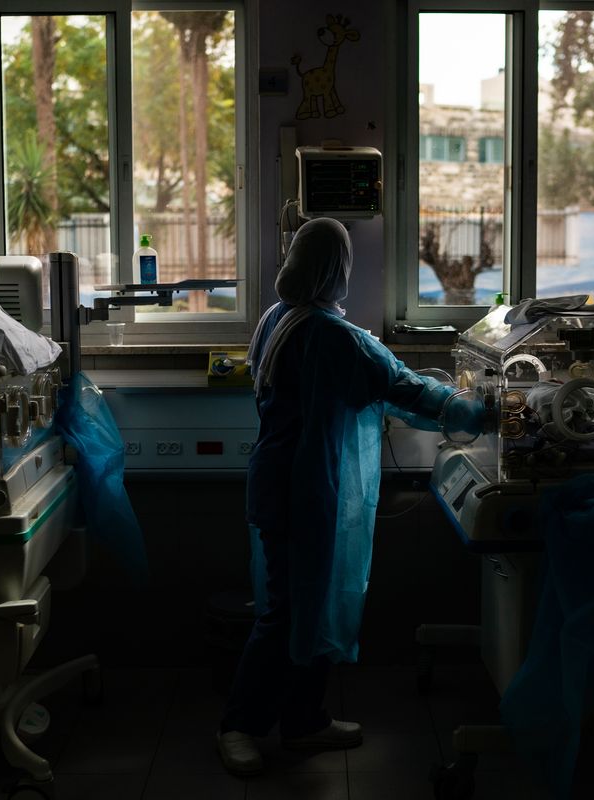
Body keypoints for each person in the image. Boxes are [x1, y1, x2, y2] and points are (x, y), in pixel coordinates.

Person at [216, 217, 485, 775]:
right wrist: (475, 410)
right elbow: (399, 384)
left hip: (285, 481)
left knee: (312, 606)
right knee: (288, 611)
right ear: (337, 269)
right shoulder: (330, 335)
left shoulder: (281, 317)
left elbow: (370, 379)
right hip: (304, 489)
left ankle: (304, 721)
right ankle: (238, 725)